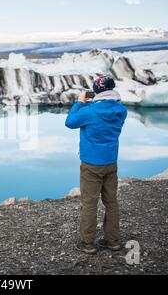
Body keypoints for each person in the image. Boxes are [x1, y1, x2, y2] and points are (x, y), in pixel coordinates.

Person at [65, 75, 127, 255]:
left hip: (91, 164)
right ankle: (112, 241)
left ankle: (88, 243)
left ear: (96, 91)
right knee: (111, 201)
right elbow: (112, 105)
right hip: (110, 161)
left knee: (89, 203)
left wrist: (79, 102)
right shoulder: (121, 110)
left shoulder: (89, 111)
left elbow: (70, 122)